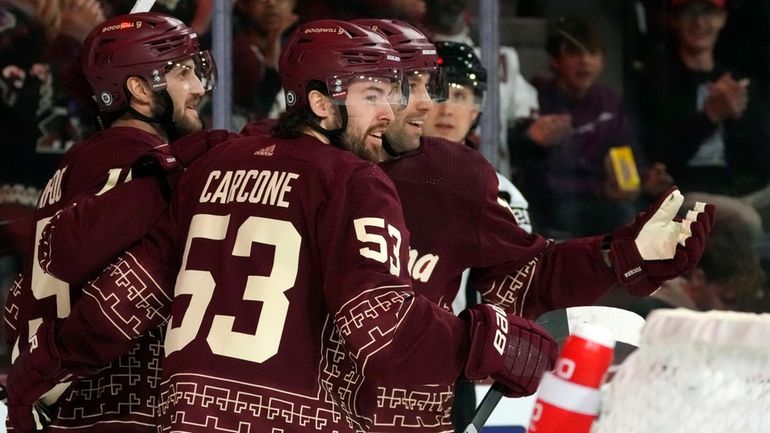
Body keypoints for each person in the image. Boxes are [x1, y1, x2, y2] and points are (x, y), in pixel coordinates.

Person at [5, 20, 561, 433]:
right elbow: (380, 327)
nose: (391, 112)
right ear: (320, 103)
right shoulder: (347, 180)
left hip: (169, 415)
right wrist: (492, 343)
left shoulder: (198, 164)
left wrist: (39, 362)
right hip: (205, 414)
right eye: (372, 95)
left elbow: (119, 295)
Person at [353, 20, 714, 433]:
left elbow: (525, 275)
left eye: (442, 92)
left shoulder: (458, 178)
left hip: (422, 395)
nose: (433, 106)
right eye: (411, 88)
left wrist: (618, 256)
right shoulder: (302, 165)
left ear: (479, 110)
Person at [3, 12, 219, 432]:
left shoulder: (83, 161)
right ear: (139, 90)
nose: (197, 89)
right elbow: (76, 253)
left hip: (65, 402)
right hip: (110, 403)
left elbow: (19, 299)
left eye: (198, 71)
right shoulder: (132, 160)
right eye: (183, 73)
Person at [510, 15, 672, 238]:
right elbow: (540, 181)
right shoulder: (535, 99)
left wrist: (646, 178)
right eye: (575, 53)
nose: (585, 61)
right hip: (555, 206)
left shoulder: (609, 101)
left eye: (592, 53)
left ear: (603, 60)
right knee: (609, 214)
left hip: (608, 201)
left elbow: (629, 154)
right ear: (554, 61)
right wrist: (599, 190)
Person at [634, 0, 770, 230]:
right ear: (674, 20)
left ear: (722, 18)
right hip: (688, 193)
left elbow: (762, 157)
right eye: (689, 13)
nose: (699, 22)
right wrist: (709, 117)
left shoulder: (736, 82)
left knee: (749, 213)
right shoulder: (656, 81)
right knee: (746, 220)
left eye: (708, 12)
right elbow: (659, 157)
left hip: (742, 190)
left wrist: (739, 116)